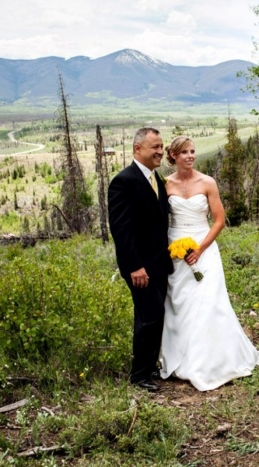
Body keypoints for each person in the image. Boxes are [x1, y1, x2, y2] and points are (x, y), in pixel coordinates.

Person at [158, 135, 259, 391]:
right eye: (184, 152)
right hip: (176, 250)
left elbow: (219, 220)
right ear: (173, 156)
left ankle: (211, 361)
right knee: (180, 303)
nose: (190, 156)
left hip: (204, 247)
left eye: (193, 151)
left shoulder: (207, 182)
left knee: (210, 303)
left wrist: (200, 249)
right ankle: (181, 360)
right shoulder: (165, 184)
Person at [108, 127, 173, 392]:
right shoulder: (124, 181)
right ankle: (139, 376)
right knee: (151, 315)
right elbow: (121, 231)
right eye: (154, 147)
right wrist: (135, 266)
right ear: (138, 149)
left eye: (161, 146)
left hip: (159, 263)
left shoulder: (157, 180)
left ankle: (148, 368)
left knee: (152, 316)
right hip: (139, 267)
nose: (160, 152)